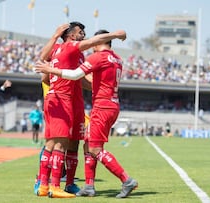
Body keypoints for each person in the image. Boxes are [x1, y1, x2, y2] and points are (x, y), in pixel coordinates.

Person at [35, 29, 138, 198]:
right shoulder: (117, 59)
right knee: (88, 143)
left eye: (92, 42)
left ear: (98, 42)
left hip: (102, 107)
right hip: (112, 105)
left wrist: (51, 70)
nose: (89, 46)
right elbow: (93, 81)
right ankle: (89, 185)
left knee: (94, 148)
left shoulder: (98, 57)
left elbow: (75, 75)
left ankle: (126, 180)